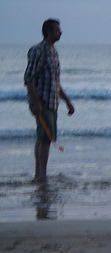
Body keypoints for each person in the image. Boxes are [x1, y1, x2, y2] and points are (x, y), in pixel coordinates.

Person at [24, 18, 75, 182]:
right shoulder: (39, 51)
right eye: (57, 30)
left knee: (43, 138)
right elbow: (29, 78)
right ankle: (41, 175)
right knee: (45, 138)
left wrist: (67, 101)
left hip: (52, 102)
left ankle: (39, 174)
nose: (60, 32)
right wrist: (37, 102)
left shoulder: (53, 52)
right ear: (49, 32)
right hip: (42, 101)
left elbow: (56, 82)